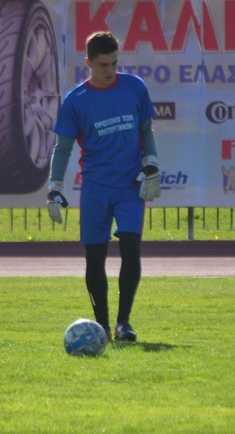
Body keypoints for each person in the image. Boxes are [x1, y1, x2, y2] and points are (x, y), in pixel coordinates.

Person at [46, 31, 160, 342]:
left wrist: (151, 162)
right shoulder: (76, 101)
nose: (110, 70)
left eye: (114, 63)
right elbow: (63, 148)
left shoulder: (135, 87)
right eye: (103, 65)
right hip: (95, 187)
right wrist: (55, 187)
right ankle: (102, 327)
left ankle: (124, 324)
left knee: (130, 249)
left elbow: (146, 129)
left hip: (130, 186)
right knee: (94, 258)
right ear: (89, 63)